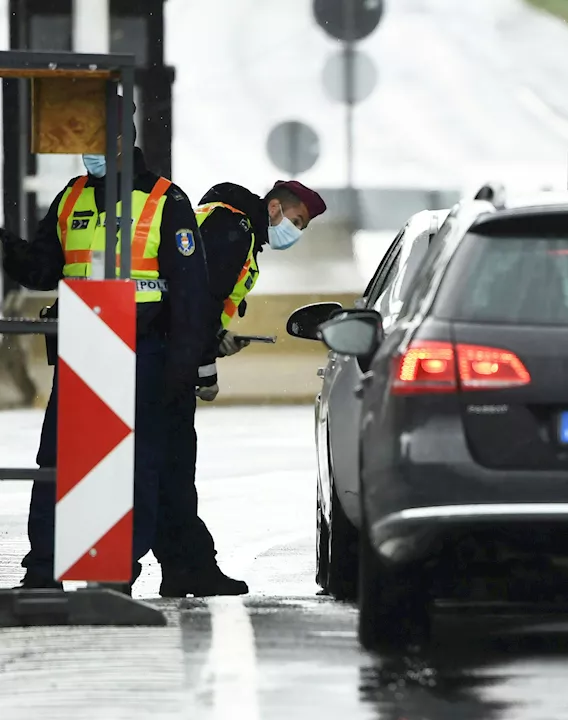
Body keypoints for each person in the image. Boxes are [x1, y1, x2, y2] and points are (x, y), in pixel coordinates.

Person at [2, 112, 213, 591]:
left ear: (122, 140)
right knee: (57, 464)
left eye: (93, 139)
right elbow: (41, 269)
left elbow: (190, 292)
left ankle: (116, 576)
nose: (85, 150)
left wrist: (182, 367)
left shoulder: (165, 199)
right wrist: (4, 245)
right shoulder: (72, 195)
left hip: (145, 352)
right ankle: (43, 572)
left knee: (134, 468)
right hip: (84, 348)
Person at [151, 179, 326, 597]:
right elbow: (198, 302)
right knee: (171, 470)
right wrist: (205, 368)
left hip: (163, 353)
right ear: (276, 209)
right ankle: (189, 568)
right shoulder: (234, 230)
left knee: (166, 471)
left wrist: (215, 340)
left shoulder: (221, 221)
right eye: (296, 221)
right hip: (169, 361)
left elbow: (195, 301)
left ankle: (182, 568)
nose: (295, 233)